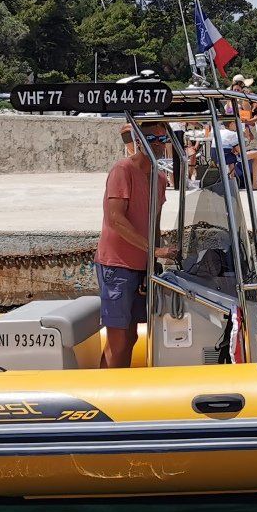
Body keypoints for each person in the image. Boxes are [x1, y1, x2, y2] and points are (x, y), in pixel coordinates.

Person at [96, 119, 171, 368]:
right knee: (118, 339)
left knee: (131, 336)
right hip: (117, 265)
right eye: (153, 140)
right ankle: (107, 393)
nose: (159, 146)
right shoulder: (122, 170)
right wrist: (154, 250)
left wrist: (157, 258)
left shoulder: (159, 179)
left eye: (163, 140)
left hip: (142, 265)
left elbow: (155, 223)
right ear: (139, 142)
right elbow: (115, 219)